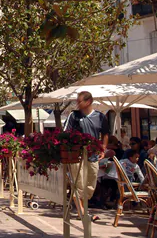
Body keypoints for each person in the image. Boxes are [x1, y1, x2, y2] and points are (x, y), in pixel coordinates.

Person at [64, 91, 109, 221]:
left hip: (93, 156)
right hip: (77, 156)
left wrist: (103, 148)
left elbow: (105, 134)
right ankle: (82, 213)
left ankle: (82, 210)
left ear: (88, 102)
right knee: (78, 184)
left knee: (90, 185)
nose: (77, 104)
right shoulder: (74, 116)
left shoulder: (100, 117)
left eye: (79, 101)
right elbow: (65, 133)